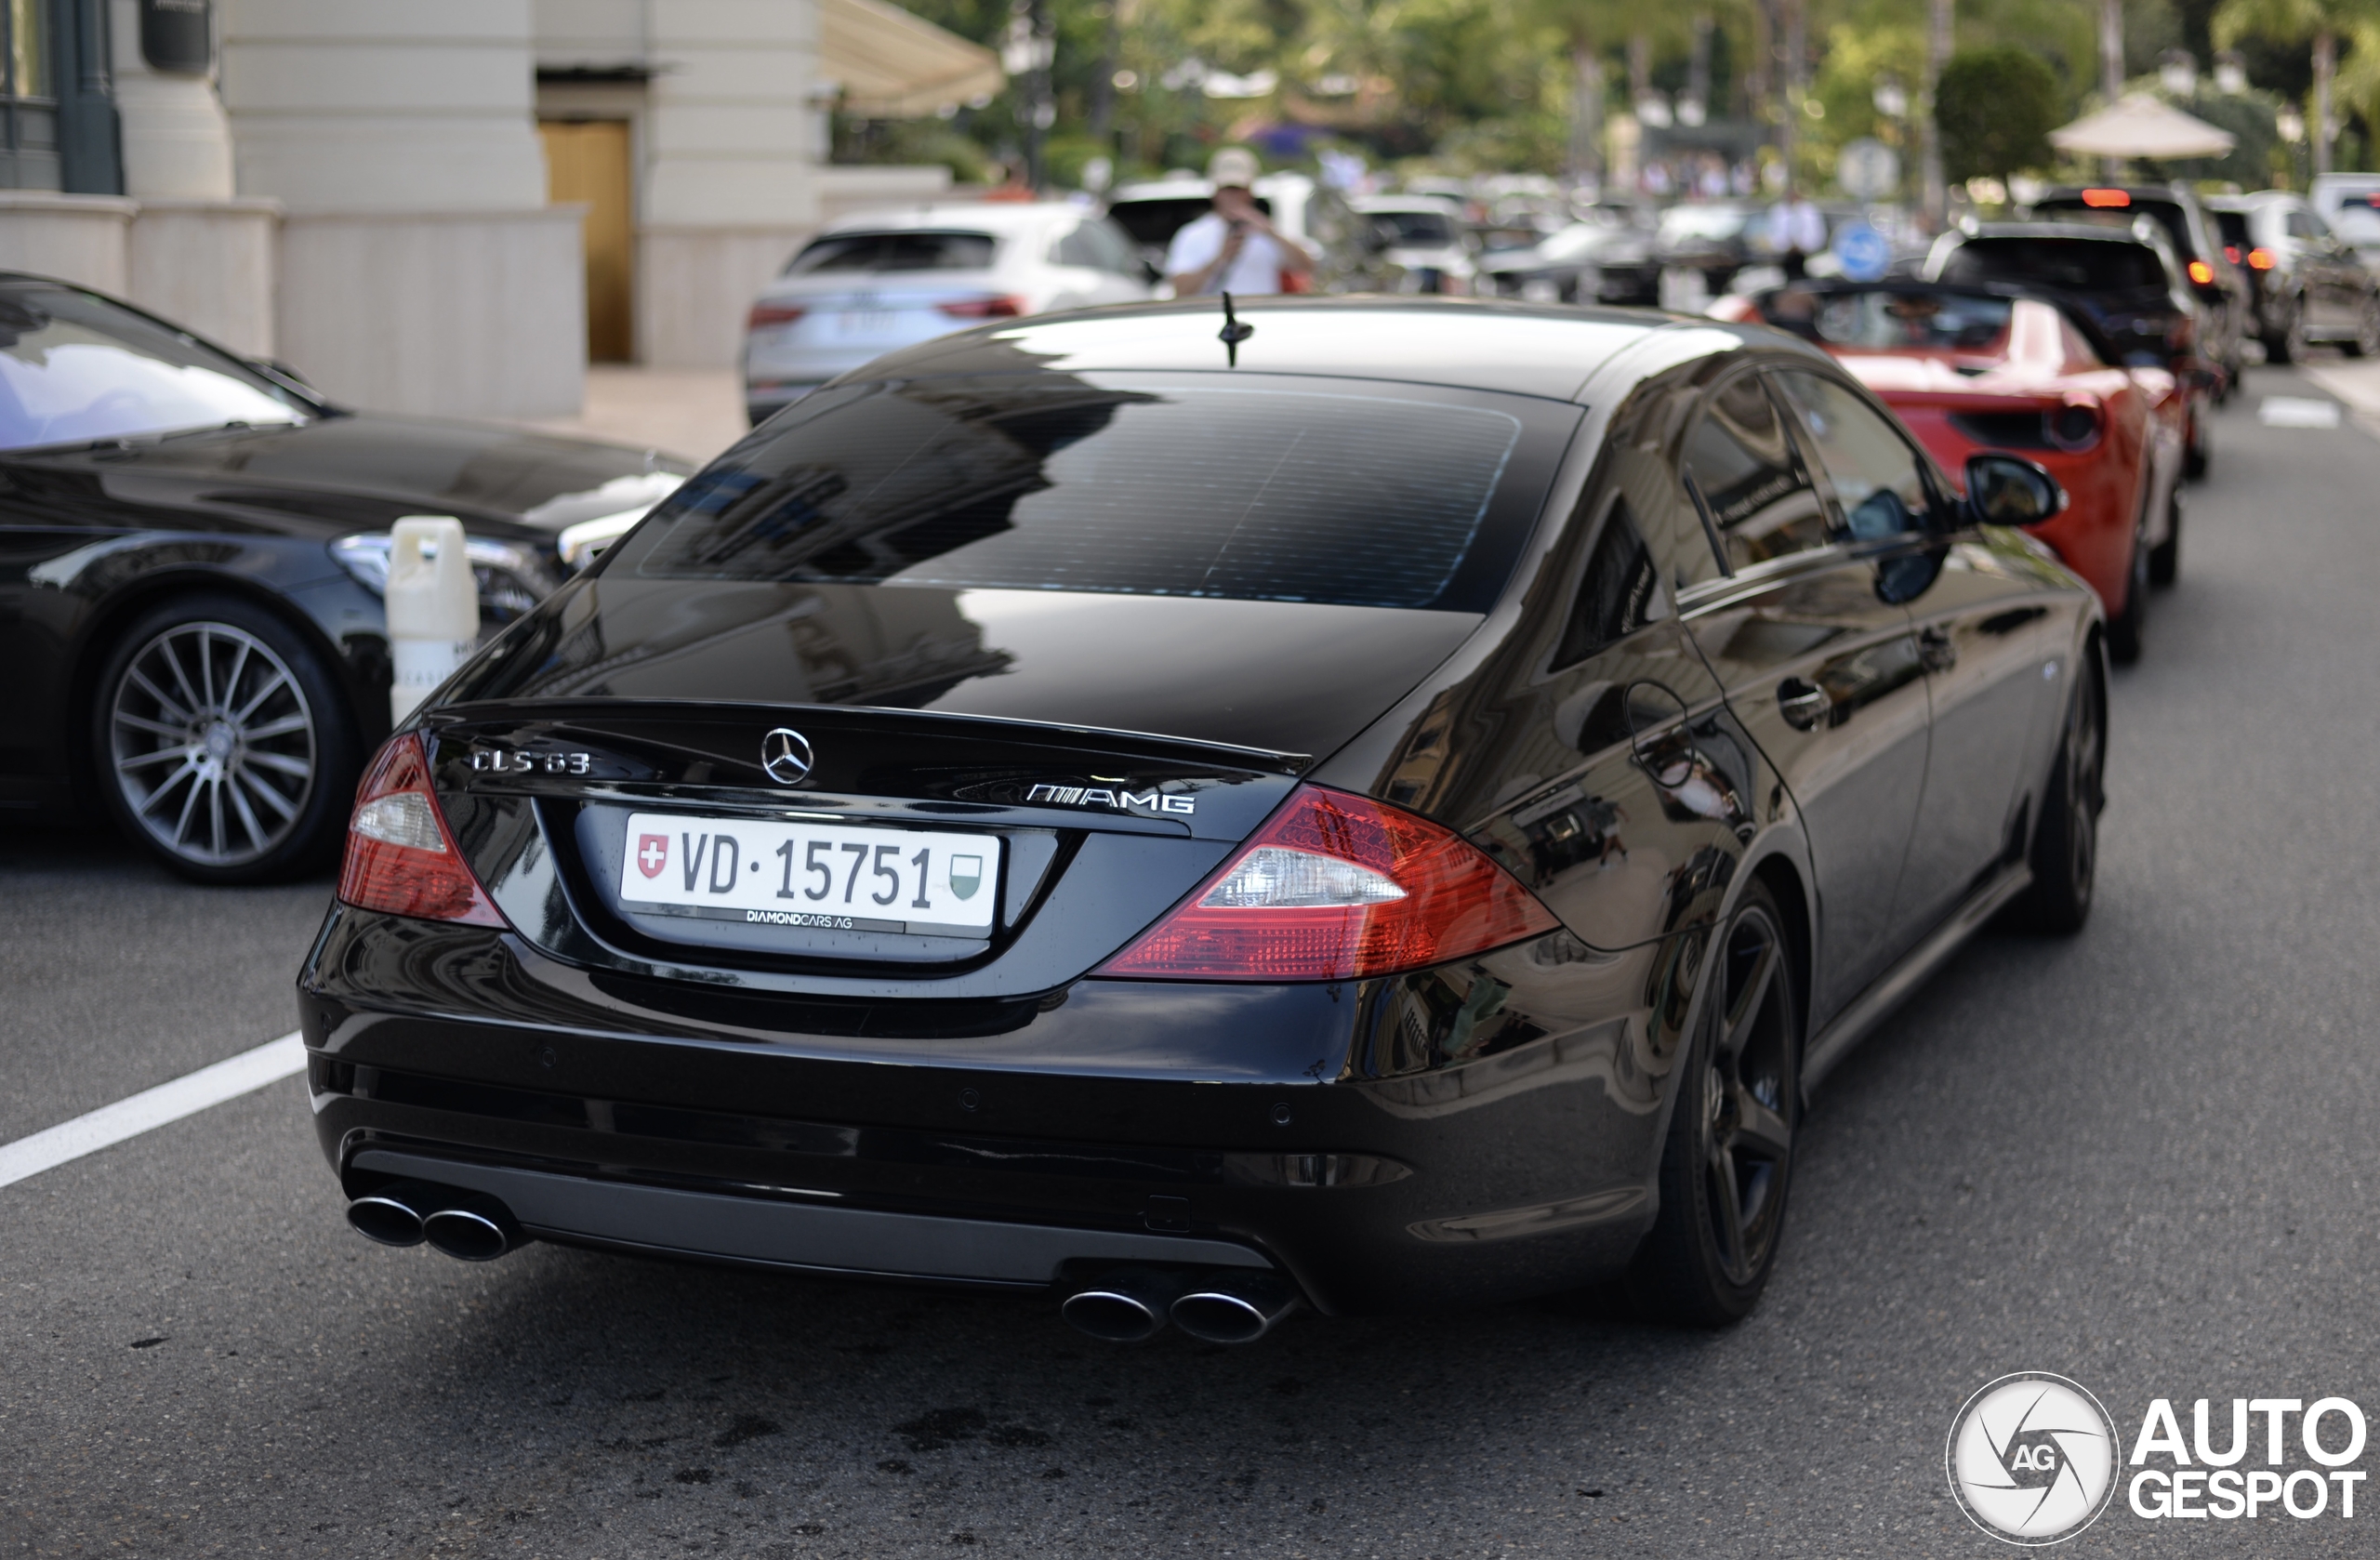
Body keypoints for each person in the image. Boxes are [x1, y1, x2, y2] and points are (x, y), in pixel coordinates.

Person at [1164, 147, 1315, 297]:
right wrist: (1220, 259)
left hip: (1260, 315)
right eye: (1227, 189)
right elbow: (1181, 291)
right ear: (1215, 191)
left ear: (1250, 191)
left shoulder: (1268, 231)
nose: (1232, 196)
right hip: (1213, 317)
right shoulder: (1192, 234)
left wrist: (1271, 233)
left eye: (1238, 188)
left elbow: (1306, 268)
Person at [1767, 185, 1825, 281]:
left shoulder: (1810, 211)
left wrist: (1802, 245)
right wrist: (1786, 245)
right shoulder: (1778, 211)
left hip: (1806, 256)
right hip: (1784, 257)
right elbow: (1772, 233)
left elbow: (1817, 234)